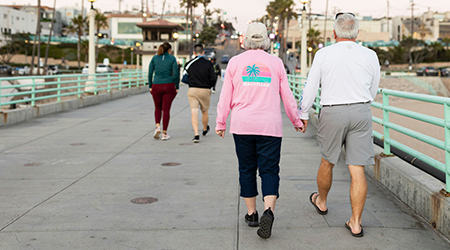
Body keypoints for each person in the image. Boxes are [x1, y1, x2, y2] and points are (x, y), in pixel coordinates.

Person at [215, 22, 304, 239]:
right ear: (266, 39)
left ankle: (252, 214)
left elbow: (225, 96)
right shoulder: (275, 63)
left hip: (242, 125)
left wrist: (221, 122)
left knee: (246, 169)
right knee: (270, 170)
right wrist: (296, 120)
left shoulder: (235, 63)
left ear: (245, 39)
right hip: (270, 127)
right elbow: (287, 96)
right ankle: (269, 211)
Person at [298, 13, 380, 238]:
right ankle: (355, 223)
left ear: (334, 33)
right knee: (357, 168)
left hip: (333, 111)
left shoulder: (323, 54)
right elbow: (373, 88)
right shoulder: (370, 55)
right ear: (357, 34)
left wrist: (303, 113)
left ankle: (322, 201)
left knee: (328, 161)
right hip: (361, 111)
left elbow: (311, 86)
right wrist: (361, 101)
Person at [185, 44, 217, 143]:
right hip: (205, 90)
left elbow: (185, 78)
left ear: (194, 53)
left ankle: (196, 135)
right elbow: (213, 77)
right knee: (204, 111)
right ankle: (204, 129)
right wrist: (210, 86)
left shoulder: (189, 63)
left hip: (193, 90)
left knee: (194, 112)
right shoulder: (208, 64)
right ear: (203, 52)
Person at [148, 42, 179, 141]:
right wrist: (176, 86)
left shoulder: (154, 58)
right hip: (169, 85)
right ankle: (164, 133)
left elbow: (149, 73)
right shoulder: (172, 58)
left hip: (156, 85)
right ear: (169, 50)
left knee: (157, 107)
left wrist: (150, 85)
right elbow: (175, 74)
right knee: (166, 109)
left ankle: (157, 127)